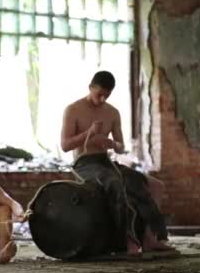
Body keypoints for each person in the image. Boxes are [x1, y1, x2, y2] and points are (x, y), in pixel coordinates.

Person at [60, 70, 174, 256]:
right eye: (99, 94)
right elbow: (65, 145)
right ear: (90, 88)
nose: (102, 99)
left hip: (105, 162)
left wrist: (112, 144)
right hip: (84, 163)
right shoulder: (73, 110)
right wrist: (88, 133)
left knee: (154, 185)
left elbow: (121, 147)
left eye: (107, 95)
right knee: (115, 183)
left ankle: (150, 238)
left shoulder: (112, 113)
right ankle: (127, 240)